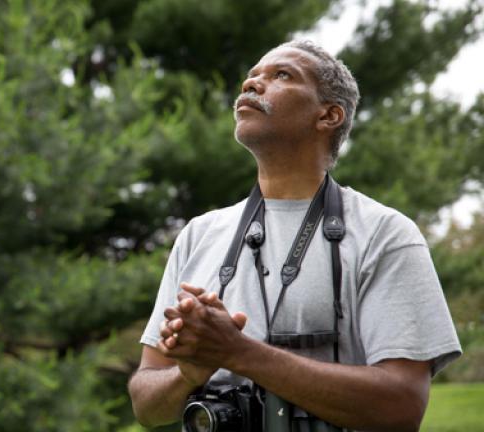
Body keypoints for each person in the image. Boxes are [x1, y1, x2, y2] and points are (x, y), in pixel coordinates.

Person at [127, 40, 461, 431]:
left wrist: (238, 352)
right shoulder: (200, 234)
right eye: (251, 77)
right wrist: (188, 373)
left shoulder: (384, 233)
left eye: (281, 75)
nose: (252, 84)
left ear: (329, 115)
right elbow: (146, 405)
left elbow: (401, 407)